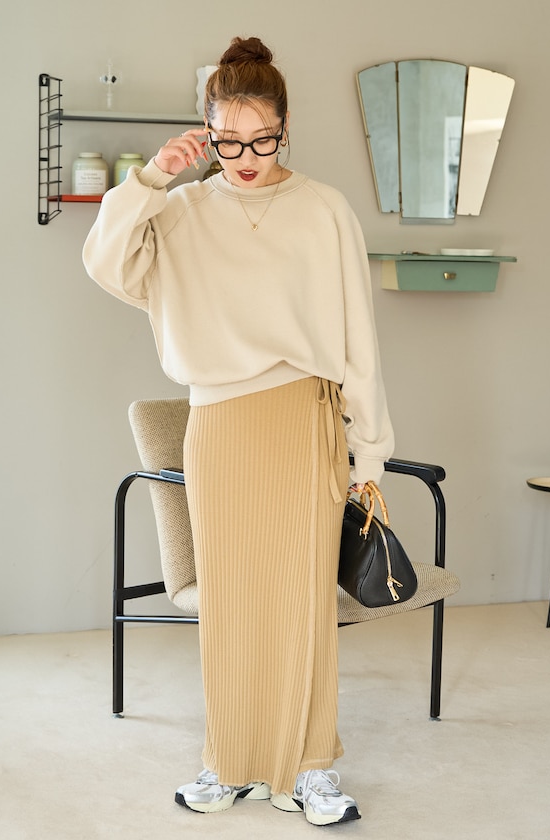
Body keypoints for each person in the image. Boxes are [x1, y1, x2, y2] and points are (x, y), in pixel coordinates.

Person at [83, 35, 394, 828]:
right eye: (228, 141)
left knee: (302, 605)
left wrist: (370, 450)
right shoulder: (181, 211)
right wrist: (150, 179)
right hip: (218, 423)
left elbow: (358, 338)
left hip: (303, 420)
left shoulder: (324, 209)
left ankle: (311, 767)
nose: (246, 158)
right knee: (230, 605)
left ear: (285, 127)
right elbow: (106, 264)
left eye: (261, 140)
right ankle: (228, 761)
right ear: (207, 132)